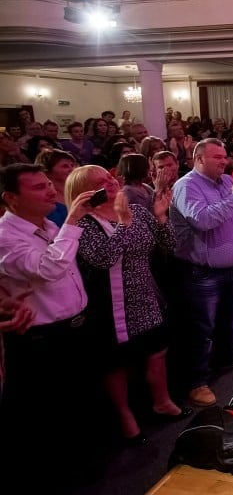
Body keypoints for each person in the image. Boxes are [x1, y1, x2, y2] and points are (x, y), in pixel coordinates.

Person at [0, 163, 105, 489]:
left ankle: (85, 469)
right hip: (42, 338)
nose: (50, 191)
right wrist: (72, 220)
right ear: (11, 198)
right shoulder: (5, 237)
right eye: (38, 187)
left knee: (79, 405)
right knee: (48, 417)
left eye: (49, 184)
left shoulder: (47, 224)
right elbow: (48, 269)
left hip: (75, 327)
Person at [66, 165, 187, 445]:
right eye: (100, 181)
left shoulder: (139, 210)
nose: (110, 182)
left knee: (157, 350)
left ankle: (162, 402)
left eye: (110, 177)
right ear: (84, 191)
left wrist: (160, 217)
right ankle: (125, 416)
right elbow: (102, 259)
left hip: (145, 293)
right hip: (110, 301)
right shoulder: (83, 223)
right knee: (116, 362)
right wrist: (122, 223)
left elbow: (169, 244)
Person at [169, 138, 233, 408]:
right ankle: (197, 383)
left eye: (224, 156)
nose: (224, 161)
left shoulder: (224, 182)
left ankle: (231, 355)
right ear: (199, 159)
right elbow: (204, 220)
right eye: (217, 157)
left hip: (230, 267)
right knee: (202, 329)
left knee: (232, 316)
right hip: (202, 272)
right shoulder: (186, 186)